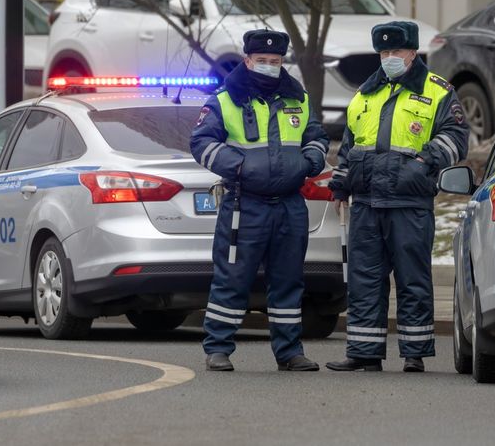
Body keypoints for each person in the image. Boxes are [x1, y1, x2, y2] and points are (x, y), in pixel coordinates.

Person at [326, 21, 469, 373]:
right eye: (385, 52)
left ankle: (414, 353)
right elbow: (350, 145)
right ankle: (364, 351)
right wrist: (341, 183)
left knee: (412, 279)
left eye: (397, 51)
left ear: (413, 52)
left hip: (410, 202)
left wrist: (424, 162)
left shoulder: (437, 91)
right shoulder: (364, 95)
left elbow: (456, 137)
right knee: (364, 280)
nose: (390, 57)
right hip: (367, 203)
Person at [190, 29, 329, 372]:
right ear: (248, 60)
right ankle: (218, 348)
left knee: (289, 280)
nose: (269, 66)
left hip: (289, 204)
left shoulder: (299, 98)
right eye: (262, 61)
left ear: (283, 62)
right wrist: (238, 166)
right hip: (244, 205)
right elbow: (201, 143)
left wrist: (310, 161)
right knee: (232, 277)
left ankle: (289, 352)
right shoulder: (224, 100)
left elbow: (316, 137)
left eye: (275, 61)